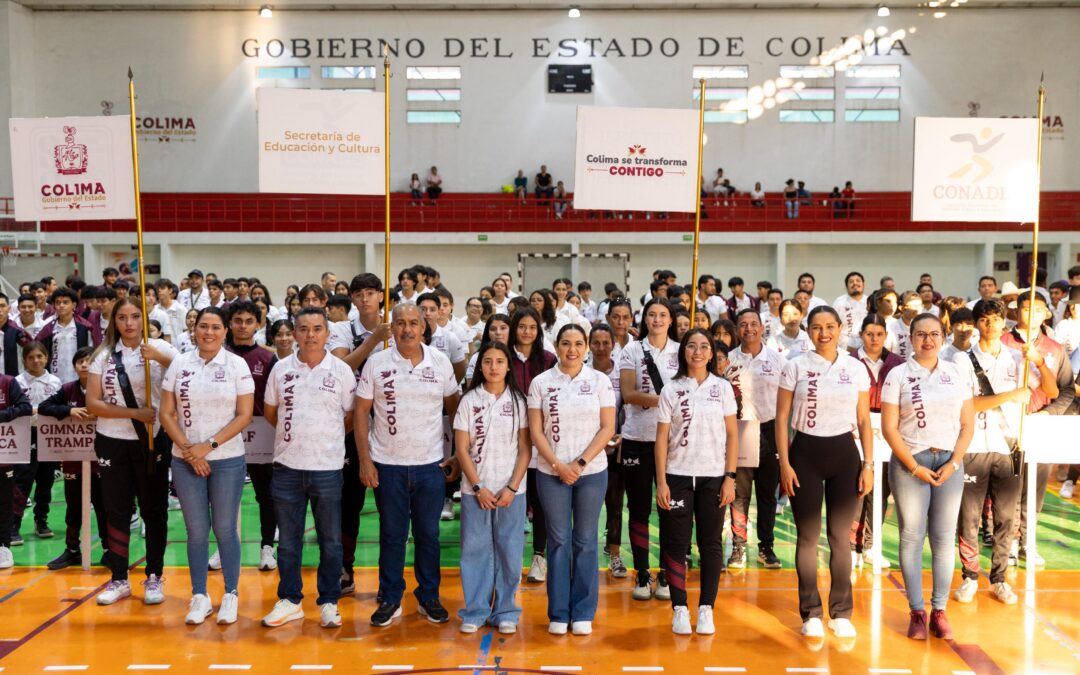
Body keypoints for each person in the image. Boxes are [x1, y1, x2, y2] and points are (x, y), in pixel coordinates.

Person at [355, 303, 461, 627]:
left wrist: (457, 454)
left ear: (423, 327)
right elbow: (360, 413)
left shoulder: (440, 362)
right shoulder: (376, 363)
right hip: (388, 466)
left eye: (414, 323)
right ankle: (390, 597)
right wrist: (365, 460)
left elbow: (456, 410)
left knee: (428, 535)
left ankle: (429, 596)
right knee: (392, 535)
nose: (407, 329)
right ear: (393, 327)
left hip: (430, 466)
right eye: (400, 323)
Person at [776, 306, 874, 639]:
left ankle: (841, 612)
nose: (824, 333)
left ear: (840, 328)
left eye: (830, 326)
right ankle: (811, 613)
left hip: (845, 454)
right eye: (817, 327)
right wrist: (785, 463)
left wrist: (868, 464)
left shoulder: (855, 367)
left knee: (839, 538)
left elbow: (864, 420)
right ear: (808, 331)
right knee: (807, 537)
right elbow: (782, 417)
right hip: (804, 453)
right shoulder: (795, 366)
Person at [880, 313, 974, 640]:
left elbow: (967, 424)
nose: (928, 340)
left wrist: (955, 462)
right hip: (911, 462)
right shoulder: (898, 375)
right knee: (911, 536)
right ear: (911, 338)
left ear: (943, 337)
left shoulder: (956, 372)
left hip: (949, 462)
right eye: (921, 334)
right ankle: (917, 612)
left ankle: (939, 610)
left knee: (944, 537)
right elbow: (889, 428)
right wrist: (914, 466)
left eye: (934, 334)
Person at [260, 308, 356, 629]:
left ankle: (328, 600)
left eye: (317, 329)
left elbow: (349, 417)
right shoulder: (280, 369)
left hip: (327, 469)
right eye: (303, 328)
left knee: (331, 541)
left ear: (327, 334)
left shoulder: (341, 371)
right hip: (287, 467)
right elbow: (271, 413)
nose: (310, 334)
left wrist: (324, 439)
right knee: (288, 542)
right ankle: (290, 600)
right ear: (295, 333)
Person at [159, 306, 254, 625]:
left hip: (227, 460)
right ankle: (199, 596)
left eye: (215, 327)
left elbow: (244, 415)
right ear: (194, 329)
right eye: (203, 326)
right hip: (185, 460)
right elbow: (166, 413)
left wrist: (207, 446)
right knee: (197, 530)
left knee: (225, 528)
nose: (208, 332)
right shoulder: (180, 363)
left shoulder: (237, 365)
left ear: (225, 331)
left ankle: (231, 594)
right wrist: (190, 451)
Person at [86, 298, 178, 606]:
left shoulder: (160, 349)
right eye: (122, 317)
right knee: (117, 510)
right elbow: (93, 404)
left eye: (135, 316)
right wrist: (134, 413)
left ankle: (154, 575)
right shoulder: (103, 356)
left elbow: (186, 377)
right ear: (114, 321)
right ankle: (119, 578)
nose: (129, 323)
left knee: (154, 510)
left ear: (144, 319)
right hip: (112, 440)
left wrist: (160, 359)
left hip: (151, 440)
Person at [528, 323, 616, 635]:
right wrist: (558, 465)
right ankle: (558, 612)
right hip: (551, 473)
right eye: (566, 343)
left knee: (586, 540)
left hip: (591, 472)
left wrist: (578, 463)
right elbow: (535, 431)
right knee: (559, 540)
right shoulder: (541, 383)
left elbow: (608, 427)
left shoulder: (599, 381)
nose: (572, 349)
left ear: (587, 347)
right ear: (556, 346)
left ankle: (582, 612)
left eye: (579, 343)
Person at [952, 299, 1036, 606]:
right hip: (974, 447)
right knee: (969, 517)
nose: (991, 325)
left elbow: (1050, 390)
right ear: (977, 324)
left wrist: (1038, 361)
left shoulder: (1018, 357)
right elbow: (970, 404)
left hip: (1009, 447)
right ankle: (969, 577)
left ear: (1004, 323)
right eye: (985, 320)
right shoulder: (962, 360)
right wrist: (1012, 395)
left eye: (996, 319)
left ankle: (999, 578)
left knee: (1005, 517)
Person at [655, 329, 738, 634]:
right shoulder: (671, 389)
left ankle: (706, 609)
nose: (698, 352)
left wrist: (730, 478)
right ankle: (679, 608)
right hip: (677, 475)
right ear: (684, 352)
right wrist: (661, 481)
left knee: (710, 543)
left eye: (704, 346)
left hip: (713, 477)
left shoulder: (722, 388)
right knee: (676, 544)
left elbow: (732, 435)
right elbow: (661, 438)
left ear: (712, 353)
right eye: (692, 346)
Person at [453, 341, 531, 634]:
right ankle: (475, 610)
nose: (493, 367)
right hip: (476, 490)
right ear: (480, 366)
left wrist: (511, 487)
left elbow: (525, 449)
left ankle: (506, 610)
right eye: (487, 361)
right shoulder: (469, 401)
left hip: (511, 491)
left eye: (499, 361)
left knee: (510, 550)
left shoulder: (519, 402)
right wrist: (477, 486)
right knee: (474, 550)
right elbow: (462, 449)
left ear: (509, 366)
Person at [999, 291, 1073, 566]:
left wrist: (1048, 414)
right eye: (1027, 308)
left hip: (1039, 423)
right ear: (1017, 311)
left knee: (1036, 487)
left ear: (1046, 314)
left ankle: (1028, 541)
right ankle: (1008, 541)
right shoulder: (1002, 342)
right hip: (1007, 424)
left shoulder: (1054, 348)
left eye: (1038, 309)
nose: (1032, 314)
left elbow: (1066, 390)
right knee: (1009, 486)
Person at [619, 298, 680, 601]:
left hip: (672, 442)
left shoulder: (681, 351)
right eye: (651, 315)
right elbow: (629, 394)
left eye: (662, 315)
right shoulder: (632, 350)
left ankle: (666, 574)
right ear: (644, 320)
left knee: (670, 510)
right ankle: (642, 574)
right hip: (637, 439)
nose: (657, 319)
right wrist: (666, 401)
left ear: (671, 320)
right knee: (639, 509)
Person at [725, 309, 785, 569]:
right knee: (739, 494)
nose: (748, 328)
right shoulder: (728, 360)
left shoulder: (778, 360)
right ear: (737, 329)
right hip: (740, 430)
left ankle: (766, 547)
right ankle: (738, 547)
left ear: (762, 328)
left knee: (767, 494)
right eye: (743, 324)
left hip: (770, 430)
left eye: (753, 324)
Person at [40, 346, 108, 570]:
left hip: (101, 458)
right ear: (75, 366)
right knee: (73, 508)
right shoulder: (68, 389)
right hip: (74, 458)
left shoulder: (106, 386)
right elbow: (44, 407)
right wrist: (69, 411)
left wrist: (101, 411)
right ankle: (72, 550)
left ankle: (109, 551)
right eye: (80, 361)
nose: (85, 365)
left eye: (89, 360)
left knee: (103, 507)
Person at [225, 301, 280, 573]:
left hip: (261, 433)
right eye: (238, 320)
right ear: (229, 324)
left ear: (258, 324)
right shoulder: (219, 355)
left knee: (265, 494)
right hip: (226, 432)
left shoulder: (268, 359)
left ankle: (267, 546)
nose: (243, 326)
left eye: (249, 321)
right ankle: (223, 547)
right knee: (225, 495)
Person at [848, 313, 905, 568]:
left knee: (881, 491)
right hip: (856, 430)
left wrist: (891, 424)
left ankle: (872, 545)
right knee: (857, 489)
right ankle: (852, 546)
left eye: (879, 334)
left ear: (886, 335)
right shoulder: (849, 362)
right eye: (869, 334)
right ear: (861, 335)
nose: (874, 339)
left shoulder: (898, 363)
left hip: (887, 431)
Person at [12, 342, 62, 543]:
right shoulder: (17, 382)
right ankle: (14, 524)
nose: (36, 361)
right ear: (24, 360)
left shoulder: (55, 382)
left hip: (48, 435)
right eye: (31, 357)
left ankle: (41, 519)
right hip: (25, 434)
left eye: (39, 356)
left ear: (47, 358)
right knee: (23, 480)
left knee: (46, 480)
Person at [0, 367, 32, 568]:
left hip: (4, 455)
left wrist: (2, 415)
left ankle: (3, 546)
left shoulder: (8, 382)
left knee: (4, 502)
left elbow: (25, 407)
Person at [835, 272, 868, 352]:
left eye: (858, 280)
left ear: (863, 284)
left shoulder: (870, 301)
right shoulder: (839, 302)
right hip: (844, 348)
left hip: (867, 346)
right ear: (847, 286)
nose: (855, 283)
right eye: (851, 282)